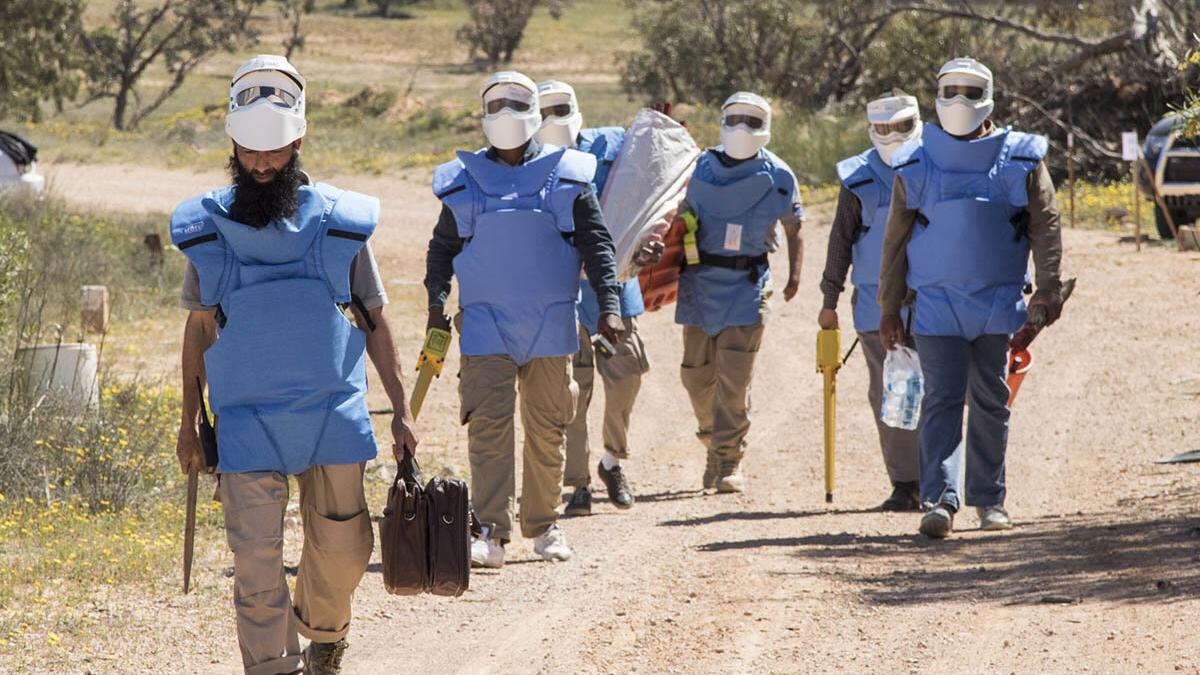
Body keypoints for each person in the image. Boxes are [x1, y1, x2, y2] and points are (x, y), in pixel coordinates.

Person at [171, 55, 418, 675]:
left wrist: (402, 410)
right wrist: (186, 422)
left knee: (344, 550)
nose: (260, 165)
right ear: (232, 142)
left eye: (274, 152)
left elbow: (376, 319)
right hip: (245, 418)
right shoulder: (205, 230)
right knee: (255, 565)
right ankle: (273, 666)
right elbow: (199, 328)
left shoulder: (341, 224)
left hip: (330, 413)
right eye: (250, 151)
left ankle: (326, 631)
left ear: (298, 142)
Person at [424, 71, 624, 568]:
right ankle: (490, 529)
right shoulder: (463, 182)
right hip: (486, 325)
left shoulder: (571, 174)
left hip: (550, 324)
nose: (507, 113)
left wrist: (611, 305)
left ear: (536, 112)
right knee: (488, 428)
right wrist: (435, 303)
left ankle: (544, 524)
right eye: (496, 104)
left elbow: (597, 245)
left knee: (548, 428)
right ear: (483, 114)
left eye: (517, 103)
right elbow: (442, 250)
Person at [878, 57, 1064, 539]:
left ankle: (990, 501)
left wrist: (1047, 288)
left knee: (991, 401)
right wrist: (888, 307)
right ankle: (940, 501)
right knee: (939, 400)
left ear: (990, 96)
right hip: (936, 306)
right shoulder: (914, 160)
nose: (960, 101)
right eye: (951, 90)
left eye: (971, 90)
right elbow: (895, 241)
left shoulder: (1021, 157)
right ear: (936, 96)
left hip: (998, 303)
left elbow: (1045, 224)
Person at [534, 79, 665, 517]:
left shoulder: (614, 145)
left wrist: (649, 240)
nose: (552, 118)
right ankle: (579, 484)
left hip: (614, 289)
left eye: (560, 108)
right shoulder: (526, 161)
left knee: (628, 373)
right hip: (562, 292)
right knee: (572, 390)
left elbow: (647, 196)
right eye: (543, 110)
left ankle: (611, 461)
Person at [675, 92, 805, 493]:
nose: (741, 128)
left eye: (751, 120)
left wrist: (794, 277)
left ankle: (729, 460)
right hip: (698, 282)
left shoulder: (779, 176)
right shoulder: (695, 168)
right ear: (721, 121)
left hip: (747, 285)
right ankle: (712, 441)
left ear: (765, 127)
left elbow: (794, 227)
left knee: (733, 378)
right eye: (734, 118)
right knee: (696, 378)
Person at [819, 90, 924, 511]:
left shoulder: (937, 163)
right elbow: (840, 243)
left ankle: (942, 478)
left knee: (941, 391)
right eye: (882, 128)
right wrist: (829, 299)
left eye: (899, 126)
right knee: (892, 391)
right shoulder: (857, 177)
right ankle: (906, 483)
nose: (891, 135)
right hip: (873, 307)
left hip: (935, 300)